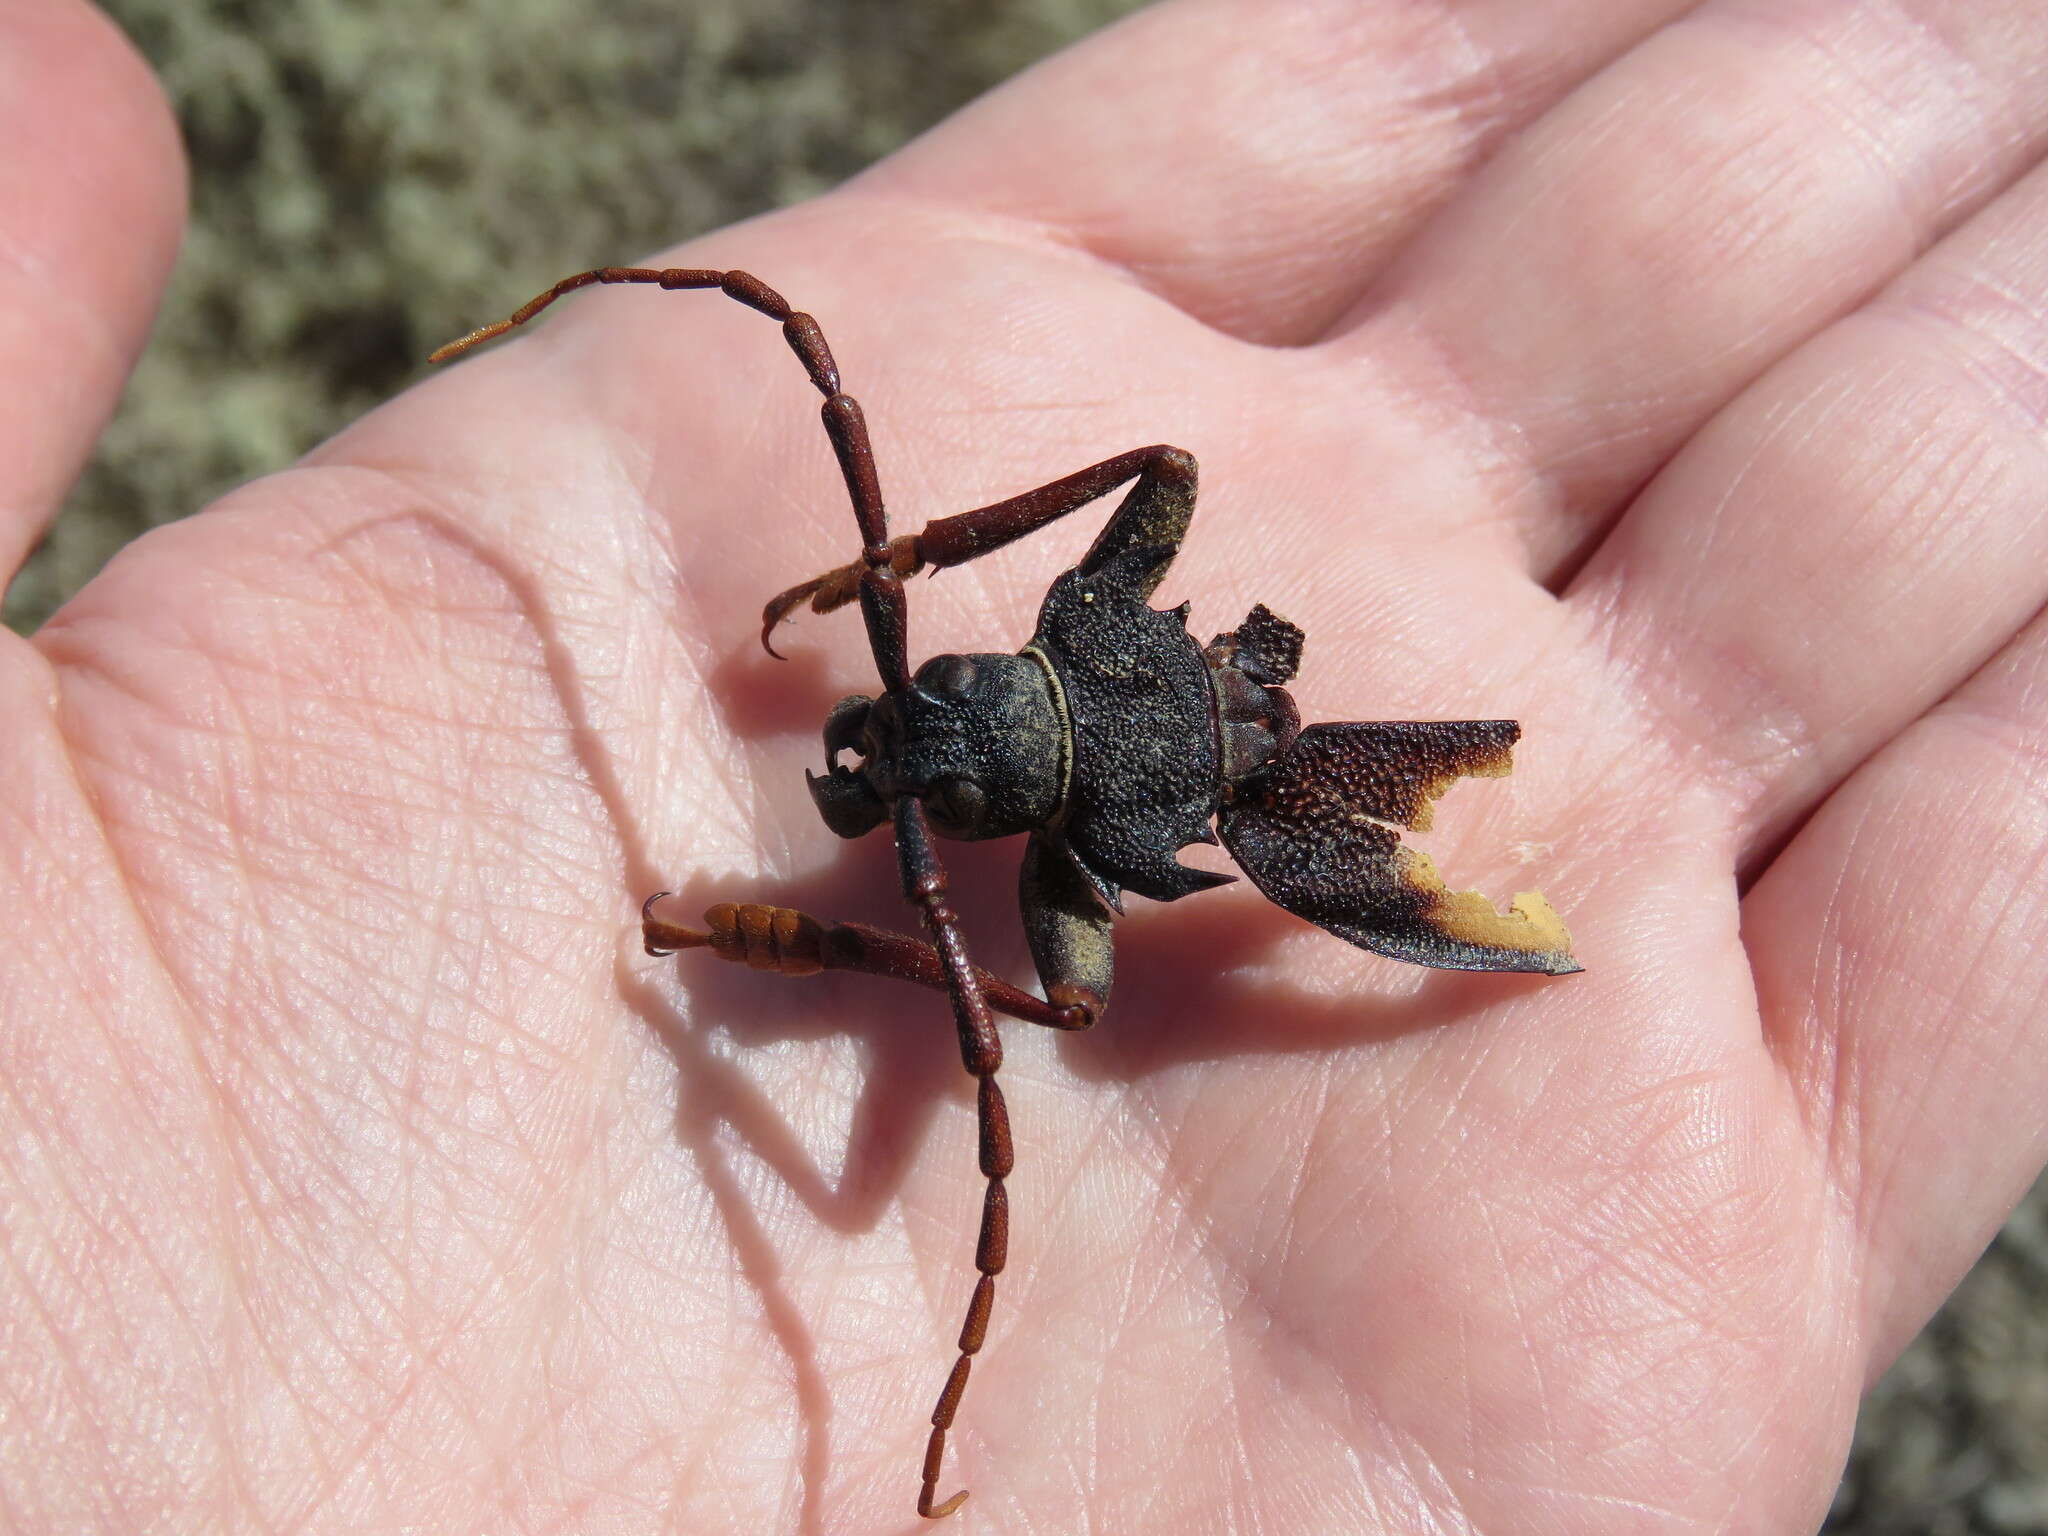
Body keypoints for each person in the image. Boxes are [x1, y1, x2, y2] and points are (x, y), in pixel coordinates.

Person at [6, 1, 2046, 1529]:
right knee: (1056, 906)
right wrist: (881, 601)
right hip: (1181, 755)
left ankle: (1388, 855)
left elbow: (1055, 963)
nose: (891, 755)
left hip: (1210, 772)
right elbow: (1133, 520)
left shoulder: (1096, 747)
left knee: (1050, 990)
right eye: (926, 748)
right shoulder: (1078, 643)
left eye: (919, 768)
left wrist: (825, 927)